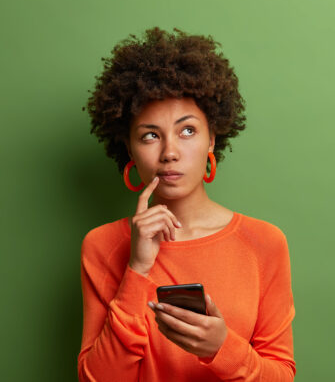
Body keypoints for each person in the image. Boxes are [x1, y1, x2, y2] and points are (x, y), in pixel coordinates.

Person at [77, 27, 295, 382]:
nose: (170, 153)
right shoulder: (102, 247)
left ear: (213, 137)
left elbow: (281, 376)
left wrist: (220, 348)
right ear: (129, 149)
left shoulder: (264, 243)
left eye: (187, 130)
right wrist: (137, 269)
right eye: (150, 135)